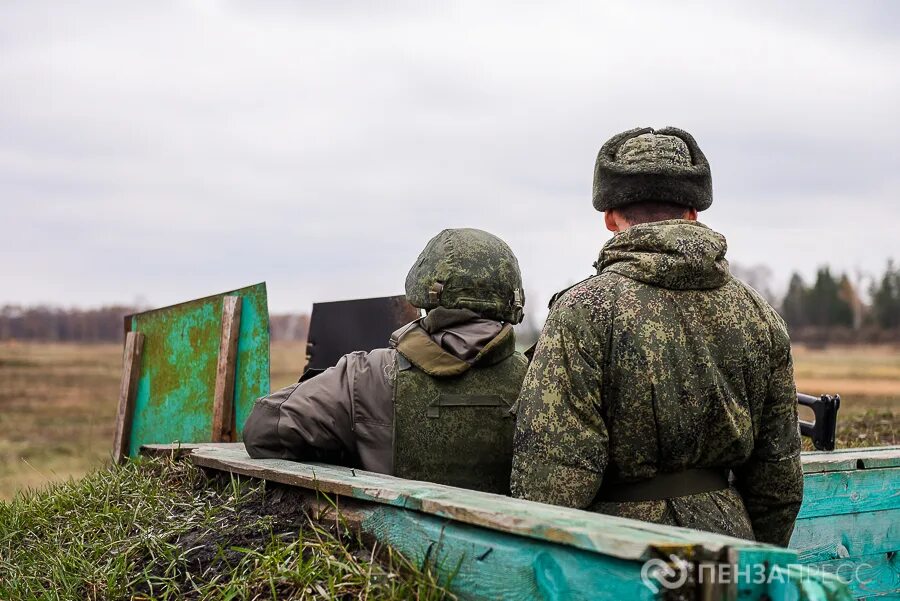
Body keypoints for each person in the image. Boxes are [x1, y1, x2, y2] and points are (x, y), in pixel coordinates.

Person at [510, 127, 803, 546]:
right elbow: (779, 480)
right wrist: (754, 559)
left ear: (610, 217)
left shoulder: (583, 312)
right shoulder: (759, 315)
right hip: (728, 548)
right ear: (692, 213)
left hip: (614, 554)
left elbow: (551, 483)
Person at [244, 228, 529, 494]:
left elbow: (263, 430)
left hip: (384, 547)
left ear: (423, 291)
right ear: (511, 299)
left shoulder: (367, 376)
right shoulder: (537, 381)